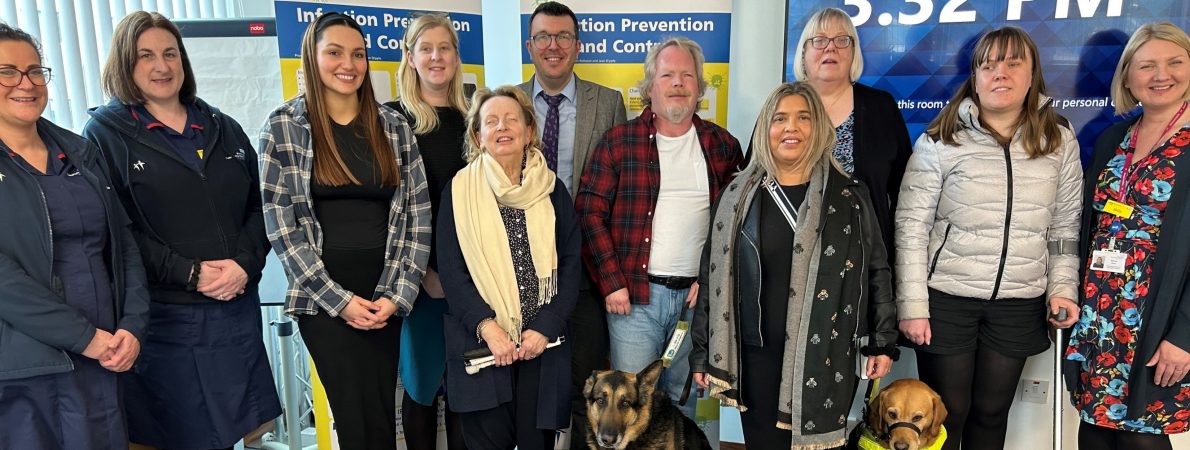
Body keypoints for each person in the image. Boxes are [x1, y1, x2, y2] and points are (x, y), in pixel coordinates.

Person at [81, 12, 281, 449]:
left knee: (236, 434)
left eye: (170, 53)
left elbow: (261, 207)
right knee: (180, 436)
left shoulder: (221, 126)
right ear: (124, 64)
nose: (162, 66)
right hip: (168, 320)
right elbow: (117, 231)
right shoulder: (105, 134)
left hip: (235, 311)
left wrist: (244, 266)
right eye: (146, 55)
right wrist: (190, 274)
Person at [895, 26, 1083, 450]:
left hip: (1020, 300)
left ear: (1032, 73)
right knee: (947, 416)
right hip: (946, 298)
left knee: (992, 414)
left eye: (1014, 62)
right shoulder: (941, 139)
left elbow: (1066, 224)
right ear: (975, 78)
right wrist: (912, 306)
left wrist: (1063, 288)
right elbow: (910, 226)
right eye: (989, 64)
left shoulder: (1058, 138)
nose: (1001, 73)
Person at [691, 81, 898, 449]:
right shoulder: (736, 197)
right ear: (765, 130)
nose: (791, 127)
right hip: (754, 357)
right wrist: (702, 352)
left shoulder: (850, 196)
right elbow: (712, 278)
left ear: (819, 128)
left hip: (826, 355)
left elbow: (876, 269)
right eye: (780, 118)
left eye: (803, 118)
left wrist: (881, 342)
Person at [258, 12, 430, 449]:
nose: (348, 64)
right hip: (324, 302)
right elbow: (282, 227)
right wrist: (339, 302)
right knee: (355, 421)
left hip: (384, 293)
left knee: (380, 418)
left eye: (357, 54)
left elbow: (417, 214)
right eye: (334, 52)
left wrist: (396, 296)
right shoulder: (283, 126)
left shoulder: (393, 126)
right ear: (312, 58)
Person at [576, 36, 743, 419]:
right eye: (667, 74)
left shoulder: (722, 146)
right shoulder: (619, 142)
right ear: (650, 86)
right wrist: (611, 281)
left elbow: (739, 222)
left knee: (683, 407)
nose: (678, 83)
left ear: (700, 87)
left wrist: (712, 277)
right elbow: (588, 212)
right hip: (634, 301)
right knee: (632, 410)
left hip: (696, 302)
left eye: (687, 75)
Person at [0, 22, 150, 449]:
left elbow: (122, 245)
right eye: (7, 72)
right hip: (28, 366)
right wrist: (83, 337)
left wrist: (133, 326)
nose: (24, 84)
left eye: (34, 71)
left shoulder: (79, 151)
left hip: (107, 353)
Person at [1064, 21, 1190, 450]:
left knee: (1142, 437)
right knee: (1095, 434)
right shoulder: (1114, 137)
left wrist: (1185, 335)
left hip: (1160, 320)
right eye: (1147, 65)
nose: (1161, 75)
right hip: (1101, 316)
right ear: (1128, 77)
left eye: (1175, 62)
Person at [437, 86, 581, 450]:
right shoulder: (458, 192)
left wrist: (544, 328)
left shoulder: (552, 191)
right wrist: (488, 328)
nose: (502, 127)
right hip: (482, 347)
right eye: (491, 121)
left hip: (542, 347)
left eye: (511, 119)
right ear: (478, 136)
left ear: (529, 131)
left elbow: (570, 263)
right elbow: (452, 272)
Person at [517, 2, 627, 445]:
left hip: (586, 268)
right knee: (532, 389)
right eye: (543, 37)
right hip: (524, 268)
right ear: (530, 46)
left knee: (588, 383)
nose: (553, 46)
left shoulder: (609, 102)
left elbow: (620, 191)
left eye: (563, 37)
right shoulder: (510, 103)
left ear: (578, 46)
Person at [382, 12, 467, 450]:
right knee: (420, 388)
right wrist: (423, 273)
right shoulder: (391, 120)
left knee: (462, 392)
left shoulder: (474, 119)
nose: (437, 57)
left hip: (469, 283)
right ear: (410, 57)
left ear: (456, 56)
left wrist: (461, 277)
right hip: (418, 283)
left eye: (445, 48)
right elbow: (390, 208)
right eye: (426, 48)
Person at [792, 7, 911, 268]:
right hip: (790, 261)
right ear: (803, 53)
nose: (830, 48)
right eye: (819, 40)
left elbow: (906, 192)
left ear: (854, 52)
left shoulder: (881, 107)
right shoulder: (782, 105)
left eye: (842, 40)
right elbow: (755, 180)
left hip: (864, 264)